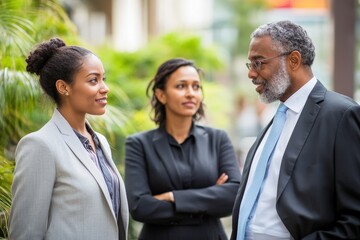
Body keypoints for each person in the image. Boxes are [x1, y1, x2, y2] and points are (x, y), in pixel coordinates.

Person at [230, 20, 360, 240]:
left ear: (293, 60)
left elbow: (355, 219)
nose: (251, 74)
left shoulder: (341, 115)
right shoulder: (275, 118)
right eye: (249, 65)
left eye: (259, 62)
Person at [9, 38, 129, 240]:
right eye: (93, 80)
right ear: (63, 87)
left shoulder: (100, 141)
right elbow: (26, 232)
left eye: (103, 79)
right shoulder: (40, 145)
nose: (104, 88)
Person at [125, 58, 241, 240]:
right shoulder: (139, 144)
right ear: (161, 95)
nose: (190, 93)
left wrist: (172, 197)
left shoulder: (218, 139)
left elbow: (233, 196)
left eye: (196, 87)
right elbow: (140, 207)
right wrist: (209, 199)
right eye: (181, 86)